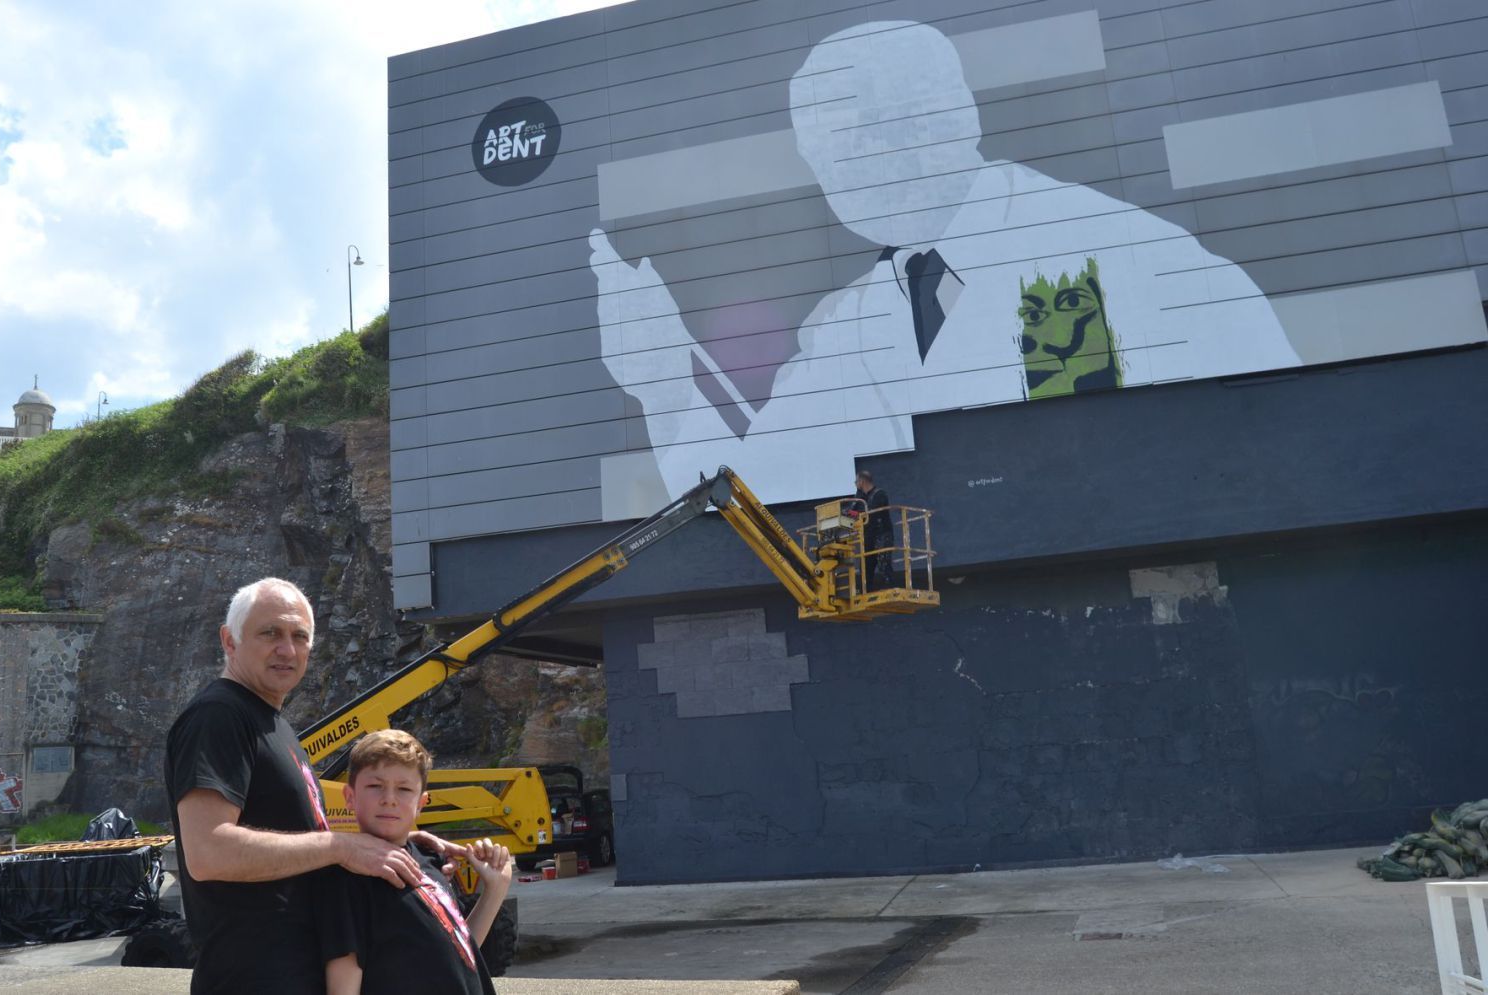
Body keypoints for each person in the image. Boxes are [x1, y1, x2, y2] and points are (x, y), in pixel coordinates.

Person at [589, 19, 1299, 507]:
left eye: (860, 139)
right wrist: (664, 386)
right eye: (823, 153)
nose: (841, 174)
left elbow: (1271, 454)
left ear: (953, 116)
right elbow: (750, 498)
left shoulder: (1122, 258)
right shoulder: (848, 323)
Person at [165, 577, 467, 995]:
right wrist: (342, 847)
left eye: (299, 636)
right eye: (270, 633)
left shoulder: (272, 723)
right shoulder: (218, 716)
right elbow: (208, 852)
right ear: (229, 641)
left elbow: (291, 840)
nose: (286, 649)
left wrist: (394, 844)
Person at [319, 729, 514, 995]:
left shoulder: (428, 861)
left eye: (404, 789)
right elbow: (343, 985)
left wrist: (494, 890)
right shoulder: (347, 879)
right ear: (349, 797)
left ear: (421, 803)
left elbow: (458, 954)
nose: (389, 798)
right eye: (375, 786)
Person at [851, 470, 893, 591]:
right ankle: (866, 591)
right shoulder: (861, 498)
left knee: (883, 564)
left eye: (856, 482)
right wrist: (858, 495)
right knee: (866, 566)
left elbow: (870, 513)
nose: (855, 484)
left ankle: (889, 588)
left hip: (881, 535)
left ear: (861, 481)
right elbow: (854, 512)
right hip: (868, 536)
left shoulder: (880, 494)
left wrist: (854, 513)